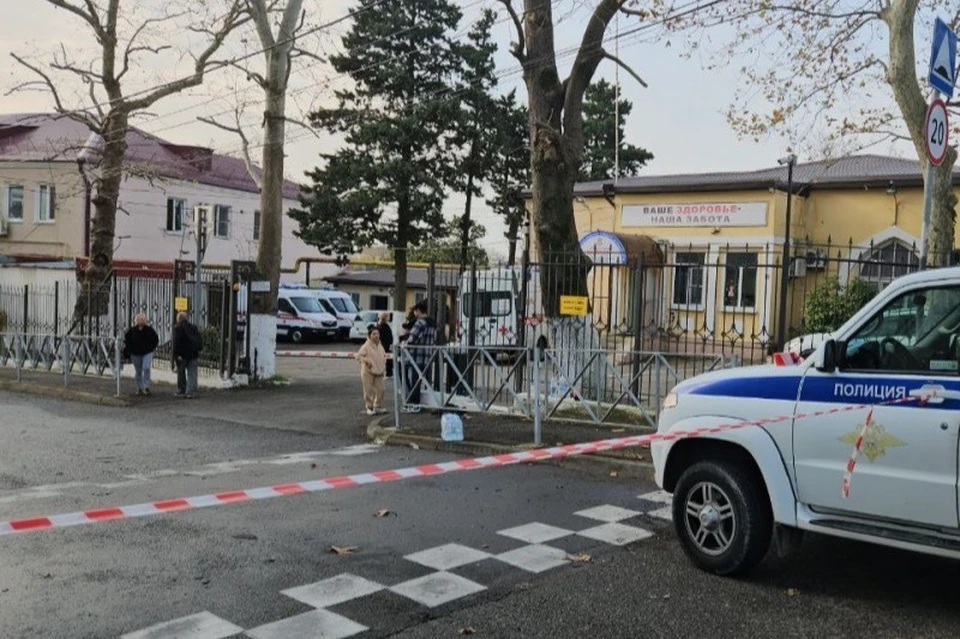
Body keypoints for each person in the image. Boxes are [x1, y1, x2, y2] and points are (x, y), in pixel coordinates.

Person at [398, 300, 436, 413]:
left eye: (415, 311)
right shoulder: (432, 323)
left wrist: (403, 344)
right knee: (418, 381)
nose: (414, 313)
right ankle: (414, 403)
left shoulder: (420, 323)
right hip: (426, 356)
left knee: (411, 379)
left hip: (415, 356)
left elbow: (412, 339)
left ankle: (413, 404)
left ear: (418, 310)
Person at [123, 313, 160, 396]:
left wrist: (152, 347)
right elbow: (127, 341)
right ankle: (139, 387)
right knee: (138, 371)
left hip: (147, 352)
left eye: (143, 319)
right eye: (139, 319)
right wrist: (130, 350)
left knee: (146, 367)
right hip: (135, 353)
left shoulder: (149, 330)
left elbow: (155, 339)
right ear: (136, 321)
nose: (141, 321)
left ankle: (146, 386)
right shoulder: (132, 330)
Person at [356, 326, 387, 416]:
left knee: (381, 390)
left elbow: (383, 355)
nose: (376, 336)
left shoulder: (380, 346)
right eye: (374, 334)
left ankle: (377, 406)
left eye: (377, 334)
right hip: (368, 372)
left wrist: (383, 363)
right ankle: (369, 407)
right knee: (368, 390)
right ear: (369, 336)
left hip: (379, 371)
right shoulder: (365, 346)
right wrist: (366, 361)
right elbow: (358, 356)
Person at [172, 312, 201, 398]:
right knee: (192, 373)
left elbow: (176, 343)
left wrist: (176, 354)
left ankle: (182, 390)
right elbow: (199, 340)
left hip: (182, 355)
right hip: (193, 354)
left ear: (178, 319)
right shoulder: (193, 327)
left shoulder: (177, 328)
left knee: (181, 372)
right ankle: (191, 392)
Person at [377, 312, 395, 379]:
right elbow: (385, 336)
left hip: (385, 344)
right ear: (385, 317)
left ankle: (389, 373)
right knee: (387, 360)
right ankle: (387, 373)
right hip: (385, 345)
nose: (389, 317)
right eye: (388, 316)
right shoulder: (384, 325)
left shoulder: (382, 325)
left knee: (388, 360)